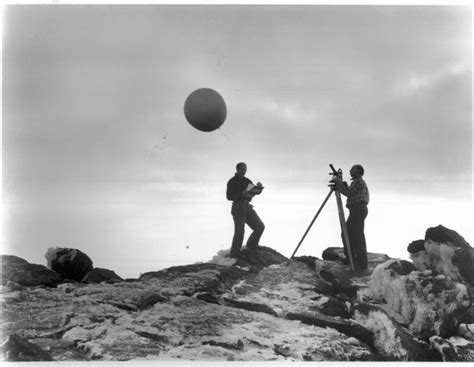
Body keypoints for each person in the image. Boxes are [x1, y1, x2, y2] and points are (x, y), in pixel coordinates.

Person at [333, 164, 370, 271]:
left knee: (357, 237)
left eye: (352, 169)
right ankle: (351, 258)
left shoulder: (359, 182)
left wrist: (339, 184)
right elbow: (349, 191)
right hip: (356, 210)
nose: (350, 171)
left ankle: (361, 263)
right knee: (347, 234)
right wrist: (342, 185)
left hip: (358, 210)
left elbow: (348, 192)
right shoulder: (357, 182)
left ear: (358, 171)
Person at [226, 162, 265, 258]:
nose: (244, 171)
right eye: (242, 169)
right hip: (238, 206)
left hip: (247, 206)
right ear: (237, 169)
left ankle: (252, 244)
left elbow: (254, 190)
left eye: (245, 169)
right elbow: (229, 196)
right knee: (239, 231)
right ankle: (235, 254)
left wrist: (259, 188)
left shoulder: (247, 180)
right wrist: (241, 194)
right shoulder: (232, 181)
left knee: (260, 226)